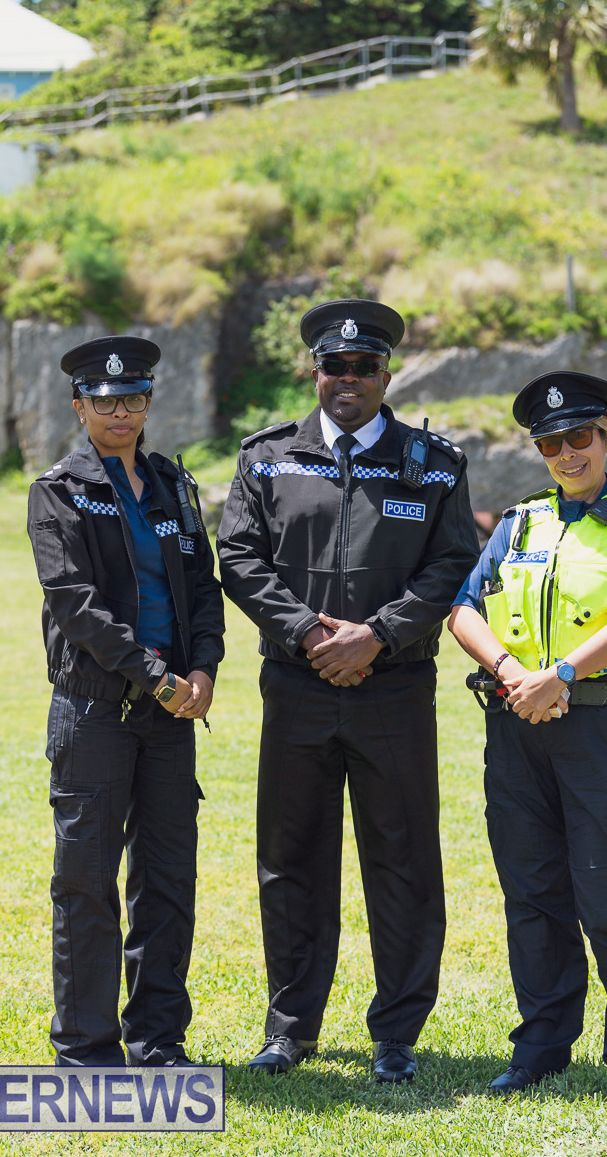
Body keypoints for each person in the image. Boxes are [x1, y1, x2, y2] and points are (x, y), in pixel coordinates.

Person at [216, 299, 479, 1082]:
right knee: (290, 859)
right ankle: (290, 1028)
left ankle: (396, 1033)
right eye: (336, 365)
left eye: (365, 367)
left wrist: (379, 634)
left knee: (401, 860)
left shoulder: (434, 462)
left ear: (387, 374)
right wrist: (307, 633)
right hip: (295, 687)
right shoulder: (266, 457)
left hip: (395, 690)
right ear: (315, 370)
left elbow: (451, 562)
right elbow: (238, 556)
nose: (349, 379)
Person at [448, 371, 607, 1105]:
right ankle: (542, 1047)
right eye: (551, 442)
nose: (566, 452)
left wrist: (564, 675)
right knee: (533, 894)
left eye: (579, 436)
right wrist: (516, 673)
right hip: (515, 725)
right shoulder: (518, 523)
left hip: (599, 729)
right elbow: (462, 611)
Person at [27, 335, 225, 1068]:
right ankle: (85, 1047)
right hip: (96, 711)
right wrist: (157, 675)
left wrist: (202, 669)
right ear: (79, 408)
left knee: (168, 880)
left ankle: (158, 1040)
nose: (120, 412)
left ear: (148, 403)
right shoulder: (59, 491)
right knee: (85, 881)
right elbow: (76, 605)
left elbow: (201, 589)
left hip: (171, 716)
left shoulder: (174, 484)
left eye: (133, 399)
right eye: (104, 401)